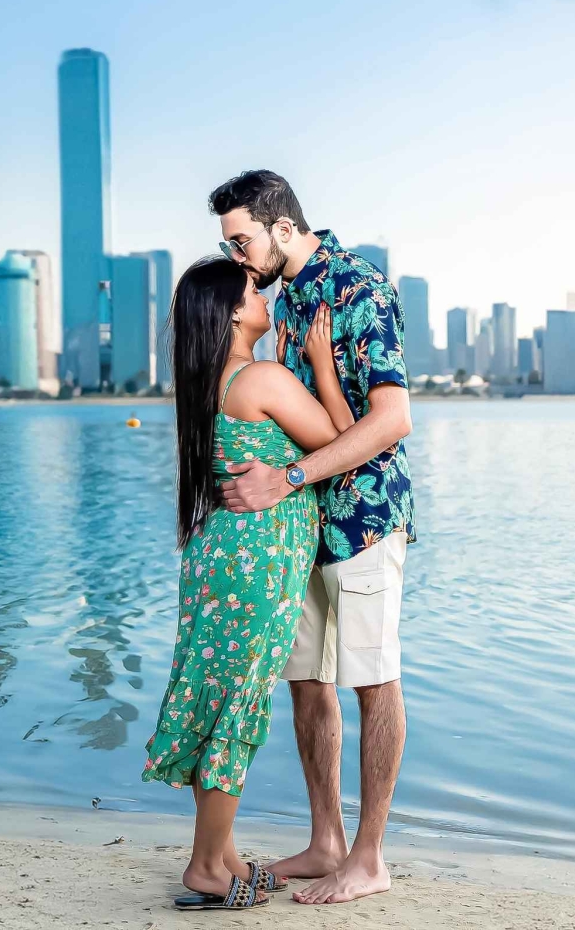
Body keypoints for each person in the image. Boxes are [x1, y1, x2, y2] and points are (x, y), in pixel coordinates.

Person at [209, 170, 415, 906]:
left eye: (242, 240)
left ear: (284, 229)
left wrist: (290, 478)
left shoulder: (360, 289)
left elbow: (392, 419)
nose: (237, 257)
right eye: (229, 245)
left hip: (361, 517)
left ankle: (369, 855)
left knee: (373, 680)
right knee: (308, 682)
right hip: (299, 534)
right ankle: (326, 837)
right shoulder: (282, 296)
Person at [142, 255, 355, 911]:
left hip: (219, 561)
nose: (263, 294)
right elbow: (344, 439)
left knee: (219, 695)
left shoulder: (211, 379)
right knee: (238, 703)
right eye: (254, 290)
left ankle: (224, 851)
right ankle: (207, 864)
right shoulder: (260, 377)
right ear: (234, 311)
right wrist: (319, 365)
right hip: (253, 570)